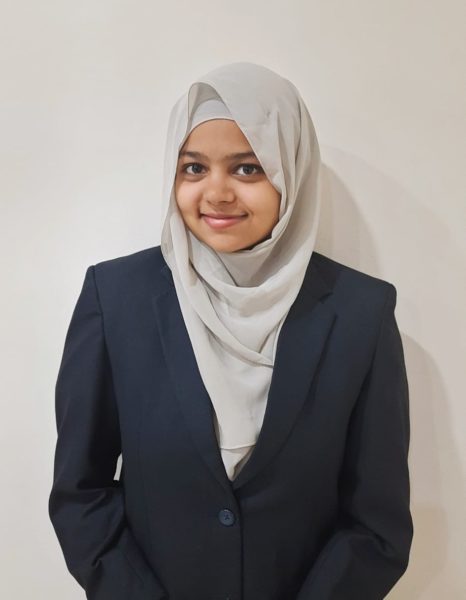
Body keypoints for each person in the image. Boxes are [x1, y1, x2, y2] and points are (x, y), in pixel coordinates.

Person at [48, 62, 413, 600]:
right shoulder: (117, 298)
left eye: (247, 168)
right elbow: (81, 493)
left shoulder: (361, 312)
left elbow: (376, 524)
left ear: (291, 171)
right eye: (194, 168)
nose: (216, 193)